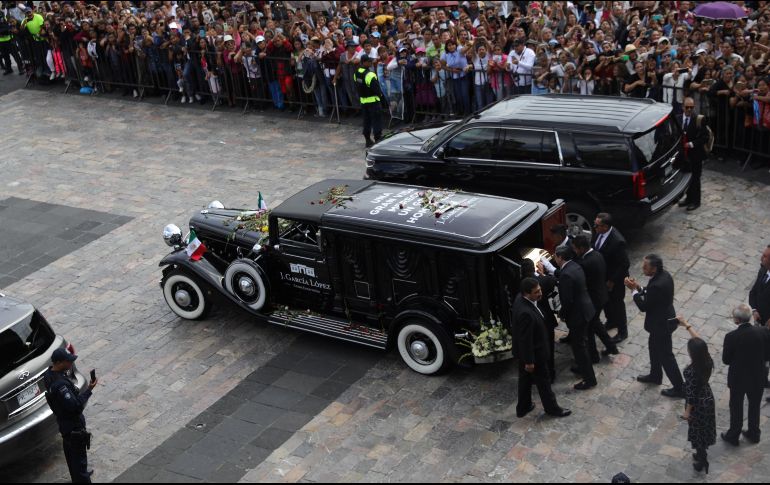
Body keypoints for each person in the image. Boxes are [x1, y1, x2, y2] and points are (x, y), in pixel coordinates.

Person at [625, 254, 685, 398]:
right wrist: (639, 288)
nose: (643, 268)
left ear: (654, 268)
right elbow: (651, 293)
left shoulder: (658, 284)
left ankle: (679, 387)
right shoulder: (664, 276)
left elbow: (644, 306)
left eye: (646, 266)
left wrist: (633, 291)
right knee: (653, 347)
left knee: (666, 356)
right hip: (662, 320)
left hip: (661, 325)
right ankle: (655, 375)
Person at [513, 277, 571, 418]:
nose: (540, 293)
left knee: (525, 380)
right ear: (527, 294)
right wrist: (529, 361)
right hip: (534, 354)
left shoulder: (521, 299)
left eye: (539, 289)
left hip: (525, 353)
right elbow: (525, 339)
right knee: (544, 383)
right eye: (536, 292)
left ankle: (523, 407)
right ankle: (552, 409)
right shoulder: (525, 313)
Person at [43, 348, 98, 483]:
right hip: (74, 428)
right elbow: (75, 407)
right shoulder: (61, 386)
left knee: (72, 459)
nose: (70, 364)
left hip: (65, 426)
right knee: (79, 462)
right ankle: (82, 478)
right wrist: (89, 390)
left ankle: (79, 476)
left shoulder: (48, 375)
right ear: (59, 362)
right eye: (68, 361)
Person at [721, 304, 770, 446]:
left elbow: (726, 360)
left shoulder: (731, 337)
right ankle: (754, 433)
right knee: (754, 406)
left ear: (737, 320)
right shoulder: (763, 332)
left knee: (736, 406)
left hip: (738, 378)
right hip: (757, 376)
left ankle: (734, 434)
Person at [676, 317, 716, 475]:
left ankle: (702, 460)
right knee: (704, 429)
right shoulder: (707, 360)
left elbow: (691, 394)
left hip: (697, 404)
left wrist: (687, 411)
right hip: (707, 397)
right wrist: (687, 326)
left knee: (697, 432)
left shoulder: (692, 372)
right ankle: (701, 454)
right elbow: (699, 341)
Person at [553, 246, 597, 390]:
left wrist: (562, 314)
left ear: (560, 257)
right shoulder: (575, 266)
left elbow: (567, 300)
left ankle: (589, 378)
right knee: (582, 343)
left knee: (579, 348)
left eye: (555, 256)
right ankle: (585, 370)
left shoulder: (566, 274)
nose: (554, 258)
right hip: (586, 309)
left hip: (577, 315)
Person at [572, 234, 619, 362]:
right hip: (601, 295)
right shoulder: (597, 255)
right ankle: (611, 346)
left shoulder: (586, 263)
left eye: (576, 249)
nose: (575, 252)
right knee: (596, 324)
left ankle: (593, 356)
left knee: (589, 329)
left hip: (594, 300)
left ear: (581, 248)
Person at [592, 213, 630, 343]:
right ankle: (611, 321)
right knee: (606, 301)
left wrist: (612, 281)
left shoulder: (617, 241)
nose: (594, 227)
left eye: (597, 225)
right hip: (603, 276)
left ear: (606, 227)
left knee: (617, 304)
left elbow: (624, 264)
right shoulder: (598, 232)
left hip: (615, 280)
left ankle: (622, 331)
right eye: (595, 224)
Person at [522, 259, 558, 383]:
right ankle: (551, 373)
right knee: (549, 348)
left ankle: (539, 374)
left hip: (534, 324)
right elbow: (554, 279)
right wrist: (542, 273)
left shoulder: (522, 285)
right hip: (547, 320)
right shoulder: (543, 280)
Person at [676, 97, 710, 211]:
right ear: (682, 107)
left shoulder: (699, 119)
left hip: (696, 154)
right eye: (687, 107)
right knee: (686, 177)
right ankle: (688, 198)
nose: (689, 109)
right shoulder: (678, 119)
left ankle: (696, 201)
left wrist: (691, 144)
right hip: (684, 155)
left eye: (692, 107)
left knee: (695, 178)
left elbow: (705, 137)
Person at [354, 54, 385, 147]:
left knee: (366, 121)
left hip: (363, 102)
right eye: (369, 61)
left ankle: (368, 140)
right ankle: (378, 140)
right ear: (363, 62)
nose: (371, 63)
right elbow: (376, 89)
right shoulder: (370, 74)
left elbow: (357, 86)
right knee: (376, 121)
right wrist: (381, 97)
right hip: (373, 102)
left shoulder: (356, 73)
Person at [749, 245, 770, 328]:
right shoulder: (762, 270)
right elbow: (753, 292)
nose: (761, 258)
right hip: (759, 320)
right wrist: (754, 310)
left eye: (765, 256)